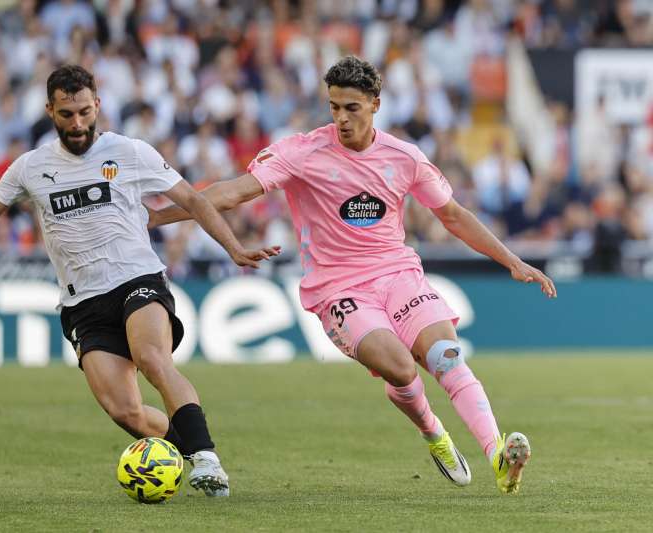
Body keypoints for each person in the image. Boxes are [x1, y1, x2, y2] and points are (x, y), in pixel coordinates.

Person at [147, 56, 557, 495]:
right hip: (338, 288)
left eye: (352, 108)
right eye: (334, 107)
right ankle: (433, 431)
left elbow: (453, 215)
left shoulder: (404, 157)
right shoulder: (302, 152)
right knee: (402, 369)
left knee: (445, 356)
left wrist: (511, 260)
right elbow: (231, 193)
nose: (341, 118)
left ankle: (497, 456)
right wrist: (157, 217)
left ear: (375, 104)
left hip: (397, 273)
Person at [0, 65, 280, 497]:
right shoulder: (30, 167)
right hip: (83, 303)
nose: (77, 123)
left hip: (136, 278)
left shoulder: (130, 152)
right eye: (66, 114)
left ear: (98, 105)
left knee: (152, 358)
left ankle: (206, 458)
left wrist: (233, 248)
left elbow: (194, 200)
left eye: (84, 112)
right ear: (50, 110)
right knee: (127, 413)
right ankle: (186, 450)